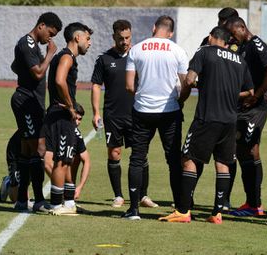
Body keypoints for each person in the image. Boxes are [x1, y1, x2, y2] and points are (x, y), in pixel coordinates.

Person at [159, 26, 254, 224]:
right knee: (223, 163)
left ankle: (183, 211)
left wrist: (201, 85)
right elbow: (250, 92)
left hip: (207, 117)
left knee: (189, 159)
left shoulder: (205, 51)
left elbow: (190, 79)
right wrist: (230, 94)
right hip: (230, 119)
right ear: (227, 42)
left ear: (211, 37)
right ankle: (217, 213)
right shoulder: (240, 60)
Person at [123, 15, 189, 220]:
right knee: (173, 160)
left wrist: (143, 96)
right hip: (169, 111)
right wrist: (180, 101)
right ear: (171, 33)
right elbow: (186, 83)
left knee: (137, 158)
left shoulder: (137, 49)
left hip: (142, 111)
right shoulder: (177, 50)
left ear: (154, 28)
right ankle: (179, 208)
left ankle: (133, 209)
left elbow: (129, 85)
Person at [90, 19, 157, 209]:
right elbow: (96, 85)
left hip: (137, 114)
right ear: (114, 37)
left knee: (140, 155)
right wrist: (96, 113)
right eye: (121, 38)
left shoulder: (139, 56)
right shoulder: (104, 59)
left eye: (128, 37)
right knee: (114, 153)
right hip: (113, 116)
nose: (125, 41)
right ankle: (118, 196)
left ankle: (143, 195)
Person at [226, 16, 267, 216]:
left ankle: (255, 204)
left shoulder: (256, 44)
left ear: (241, 27)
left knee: (250, 150)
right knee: (242, 151)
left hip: (254, 109)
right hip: (243, 108)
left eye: (233, 34)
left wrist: (256, 95)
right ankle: (251, 202)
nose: (232, 38)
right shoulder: (242, 46)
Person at [10, 12, 62, 212]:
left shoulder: (28, 46)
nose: (50, 38)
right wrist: (50, 53)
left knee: (27, 150)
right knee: (39, 150)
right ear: (41, 26)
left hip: (31, 102)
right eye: (50, 33)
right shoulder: (28, 44)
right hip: (27, 103)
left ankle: (23, 200)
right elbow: (38, 72)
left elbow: (15, 66)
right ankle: (39, 200)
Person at [43, 22, 93, 216]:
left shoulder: (68, 57)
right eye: (87, 38)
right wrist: (71, 106)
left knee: (67, 158)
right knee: (62, 161)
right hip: (62, 115)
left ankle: (69, 203)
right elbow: (59, 80)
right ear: (77, 37)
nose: (89, 43)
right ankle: (56, 205)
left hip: (61, 114)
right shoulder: (66, 56)